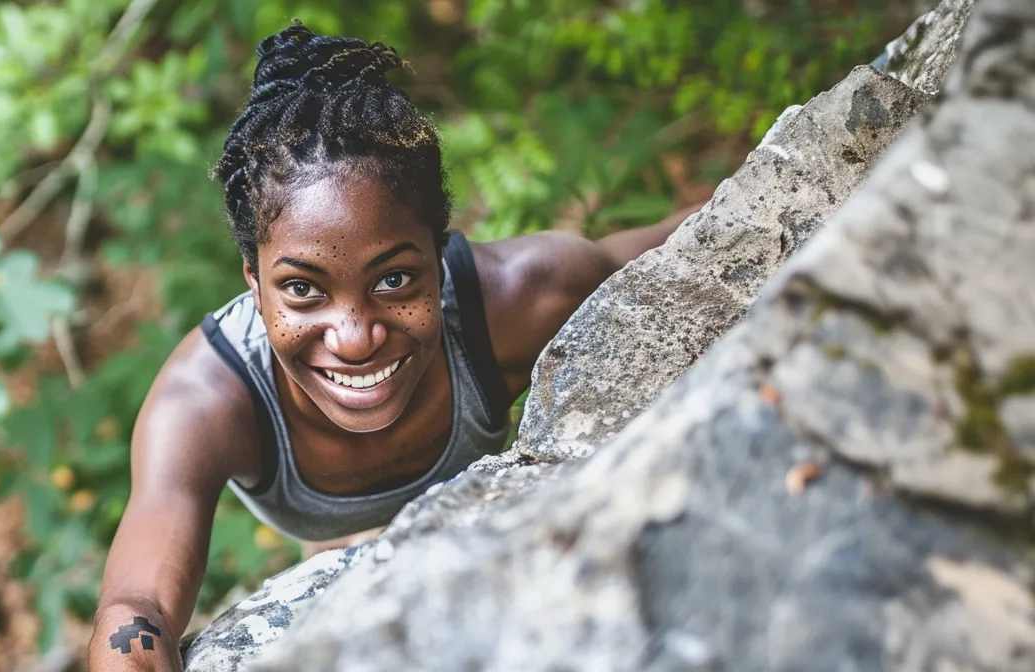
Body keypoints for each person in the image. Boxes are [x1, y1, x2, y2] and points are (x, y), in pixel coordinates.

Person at [86, 22, 703, 671]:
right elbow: (136, 604)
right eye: (302, 289)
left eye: (393, 279)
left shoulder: (524, 297)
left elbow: (701, 237)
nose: (355, 337)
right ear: (254, 283)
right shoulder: (206, 401)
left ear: (439, 257)